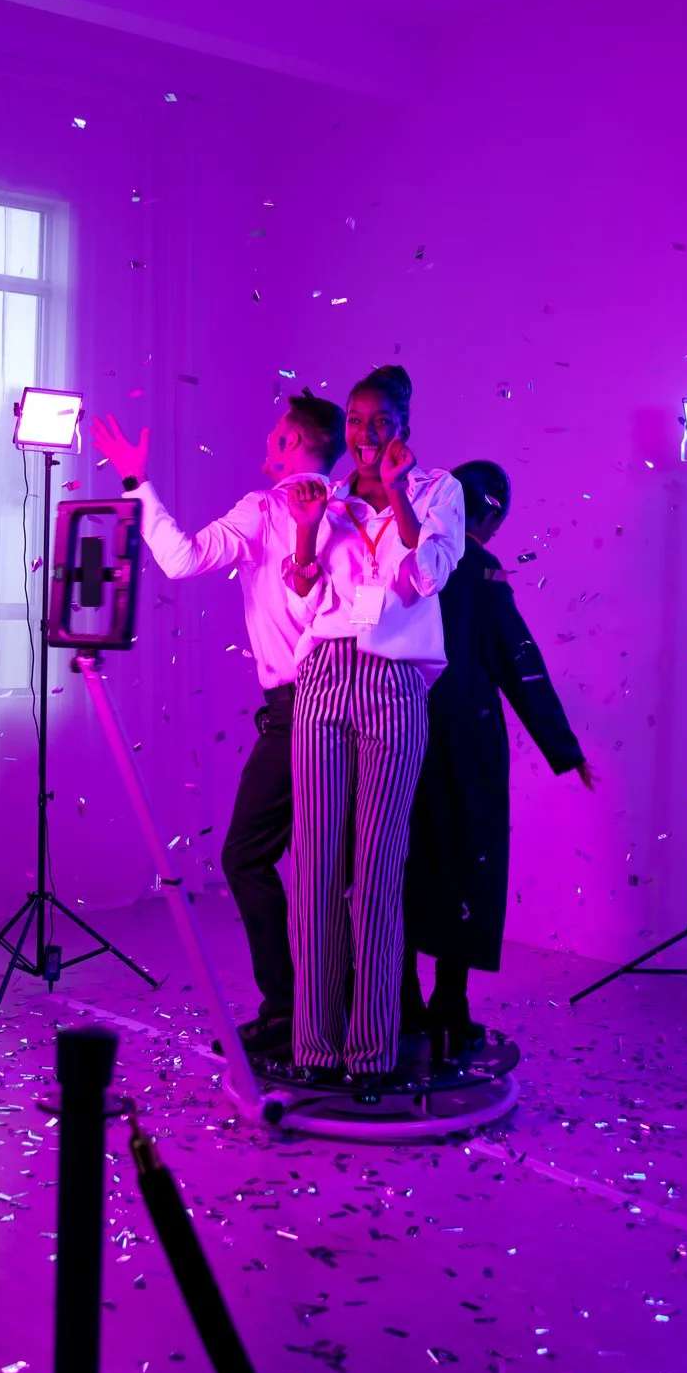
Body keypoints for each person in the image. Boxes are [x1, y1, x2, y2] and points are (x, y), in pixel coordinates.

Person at [88, 393, 345, 1061]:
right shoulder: (352, 509)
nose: (266, 437)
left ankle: (291, 1013)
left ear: (293, 441)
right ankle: (339, 1012)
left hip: (300, 709)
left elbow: (179, 559)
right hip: (360, 708)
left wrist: (134, 481)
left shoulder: (264, 507)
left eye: (275, 431)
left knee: (245, 856)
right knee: (340, 866)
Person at [280, 364, 467, 1097]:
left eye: (378, 419)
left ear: (404, 424)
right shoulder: (327, 497)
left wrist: (395, 494)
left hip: (392, 680)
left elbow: (427, 577)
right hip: (325, 671)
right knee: (317, 872)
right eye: (355, 420)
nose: (363, 433)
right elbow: (301, 588)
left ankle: (371, 1048)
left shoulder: (437, 490)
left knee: (379, 875)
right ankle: (315, 1044)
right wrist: (303, 529)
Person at [400, 460, 594, 1060]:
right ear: (490, 516)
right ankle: (448, 1008)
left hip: (397, 730)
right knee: (467, 866)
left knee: (400, 866)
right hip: (464, 742)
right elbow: (519, 660)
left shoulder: (402, 554)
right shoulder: (479, 569)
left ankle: (401, 1003)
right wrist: (563, 747)